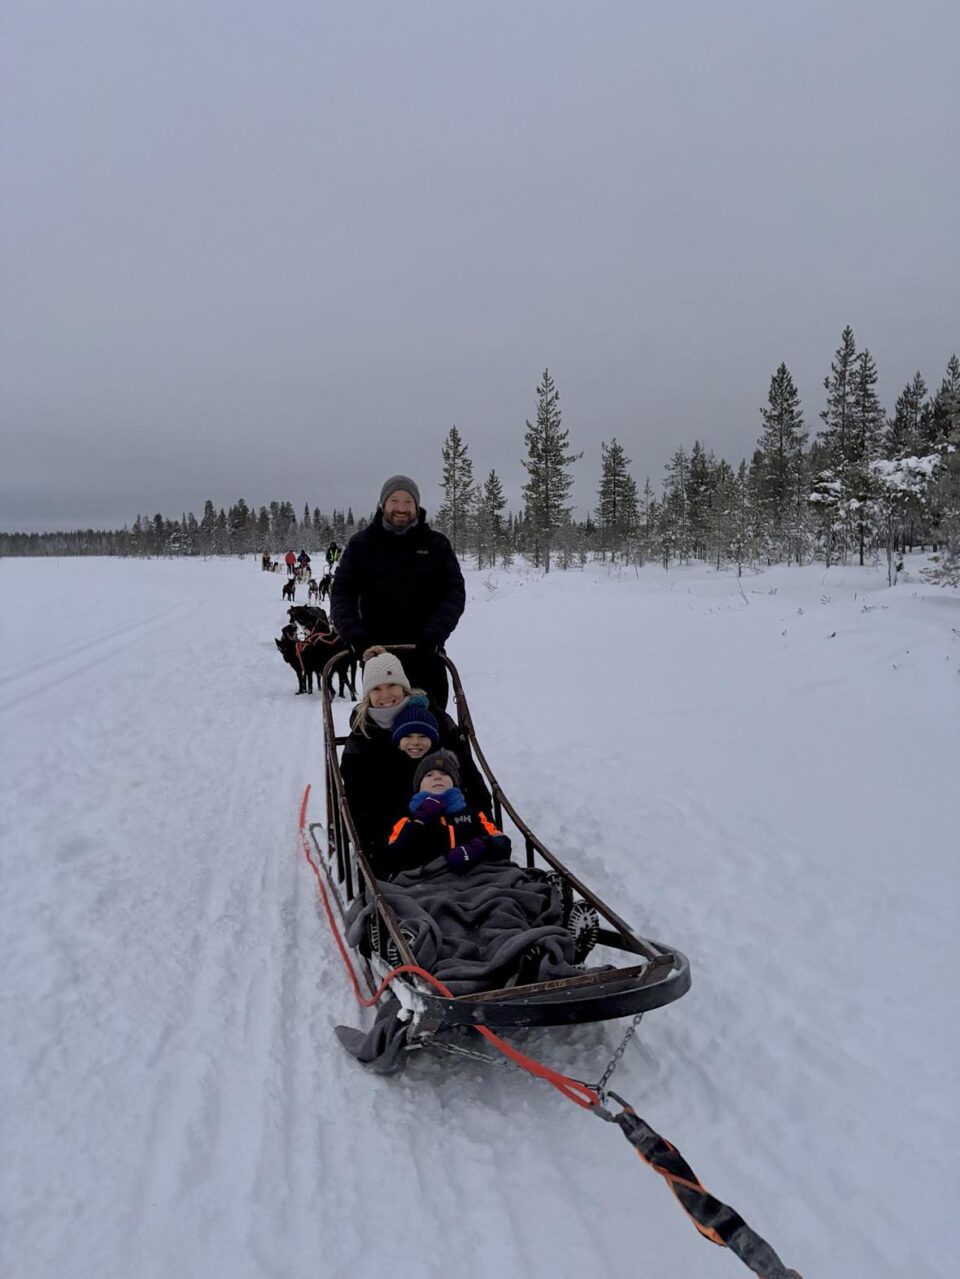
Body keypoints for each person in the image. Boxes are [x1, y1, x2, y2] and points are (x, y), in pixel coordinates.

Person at [330, 475, 465, 709]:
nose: (401, 508)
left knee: (430, 726)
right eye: (394, 500)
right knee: (380, 729)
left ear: (417, 505)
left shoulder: (436, 545)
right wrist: (356, 638)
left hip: (425, 652)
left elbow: (453, 594)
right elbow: (342, 594)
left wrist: (434, 636)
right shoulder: (362, 545)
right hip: (376, 654)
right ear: (383, 504)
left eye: (408, 502)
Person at [340, 653, 490, 859]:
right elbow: (357, 800)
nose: (385, 695)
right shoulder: (362, 737)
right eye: (376, 688)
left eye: (392, 684)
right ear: (367, 695)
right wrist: (376, 846)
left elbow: (468, 773)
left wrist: (483, 822)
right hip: (396, 837)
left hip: (453, 827)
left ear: (404, 687)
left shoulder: (434, 719)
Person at [374, 750, 510, 879]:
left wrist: (481, 846)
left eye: (444, 774)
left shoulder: (474, 815)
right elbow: (388, 860)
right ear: (419, 786)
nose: (437, 777)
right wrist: (420, 819)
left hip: (478, 879)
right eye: (429, 775)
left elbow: (503, 844)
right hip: (423, 884)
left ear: (454, 783)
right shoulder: (406, 820)